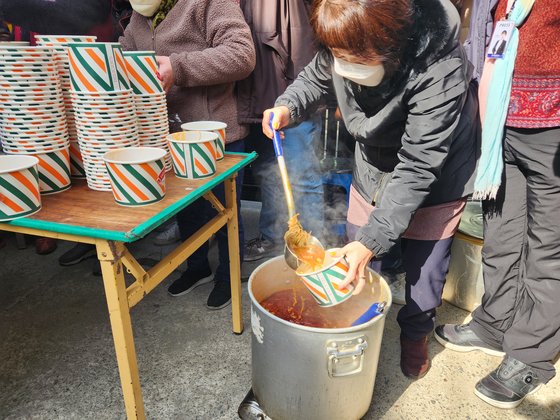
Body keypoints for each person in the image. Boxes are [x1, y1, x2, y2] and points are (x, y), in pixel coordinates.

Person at [263, 0, 480, 379]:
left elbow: (418, 164)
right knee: (355, 261)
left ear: (388, 42)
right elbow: (316, 77)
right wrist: (288, 105)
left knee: (424, 271)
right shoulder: (347, 37)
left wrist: (373, 238)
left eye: (354, 57)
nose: (342, 65)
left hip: (436, 171)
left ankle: (415, 334)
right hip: (373, 160)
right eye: (336, 54)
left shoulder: (436, 61)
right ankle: (360, 325)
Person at [435, 0, 560, 409]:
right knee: (500, 233)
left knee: (548, 250)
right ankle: (494, 322)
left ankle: (531, 354)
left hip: (552, 131)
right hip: (503, 123)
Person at [120, 0, 255, 309]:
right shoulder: (141, 16)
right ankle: (197, 267)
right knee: (188, 211)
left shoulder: (208, 3)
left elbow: (242, 54)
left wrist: (177, 67)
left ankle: (228, 273)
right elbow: (122, 51)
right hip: (170, 137)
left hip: (216, 137)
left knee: (226, 211)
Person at [1, 0, 129, 257]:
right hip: (39, 82)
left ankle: (111, 242)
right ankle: (85, 237)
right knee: (67, 166)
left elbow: (89, 12)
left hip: (91, 71)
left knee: (100, 163)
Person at [237, 0, 325, 262]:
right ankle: (274, 237)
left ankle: (314, 245)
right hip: (253, 91)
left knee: (304, 175)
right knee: (269, 173)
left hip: (294, 86)